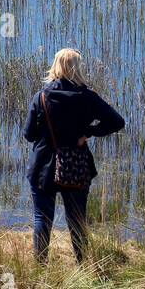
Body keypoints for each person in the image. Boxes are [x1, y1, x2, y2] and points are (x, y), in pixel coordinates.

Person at [23, 48, 125, 263]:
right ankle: (82, 265)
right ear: (77, 68)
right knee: (77, 220)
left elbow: (29, 135)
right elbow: (117, 122)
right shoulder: (88, 97)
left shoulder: (41, 96)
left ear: (55, 66)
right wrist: (88, 132)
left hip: (43, 166)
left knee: (43, 217)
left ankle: (40, 267)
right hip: (76, 166)